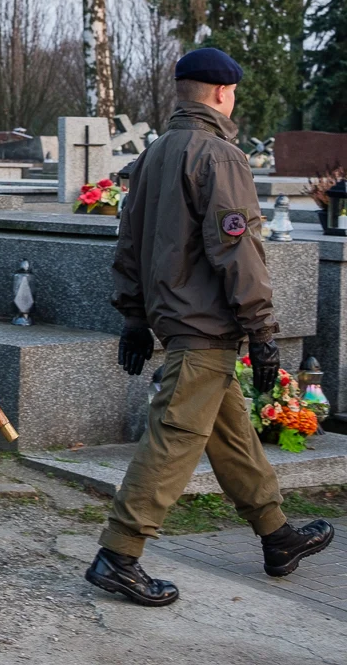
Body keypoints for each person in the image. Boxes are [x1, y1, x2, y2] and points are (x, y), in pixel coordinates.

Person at [85, 47, 335, 607]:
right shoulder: (219, 155)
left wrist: (132, 316)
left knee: (230, 433)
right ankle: (119, 554)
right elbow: (238, 250)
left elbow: (128, 243)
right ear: (222, 93)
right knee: (175, 439)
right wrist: (263, 329)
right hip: (204, 326)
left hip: (178, 323)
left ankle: (277, 535)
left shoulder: (153, 155)